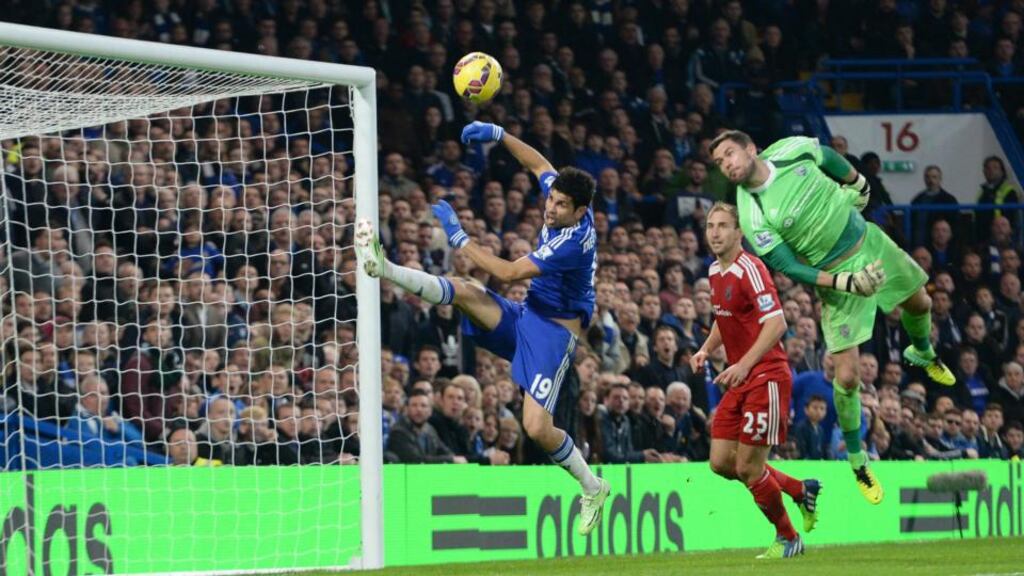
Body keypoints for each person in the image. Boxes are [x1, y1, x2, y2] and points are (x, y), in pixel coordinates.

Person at [357, 121, 609, 535]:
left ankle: (592, 486)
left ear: (580, 212)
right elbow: (539, 163)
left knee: (536, 428)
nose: (551, 207)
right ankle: (384, 267)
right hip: (528, 315)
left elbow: (509, 272)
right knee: (466, 291)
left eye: (561, 205)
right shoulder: (562, 197)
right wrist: (499, 134)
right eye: (553, 199)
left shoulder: (573, 243)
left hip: (553, 336)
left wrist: (459, 238)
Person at [711, 131, 957, 505]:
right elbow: (787, 265)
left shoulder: (789, 150)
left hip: (870, 244)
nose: (727, 164)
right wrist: (845, 282)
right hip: (837, 280)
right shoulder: (750, 210)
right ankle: (858, 461)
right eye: (719, 162)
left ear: (750, 148)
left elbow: (825, 155)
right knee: (847, 377)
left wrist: (857, 181)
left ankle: (922, 352)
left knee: (922, 304)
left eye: (730, 153)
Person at [690, 203, 819, 559]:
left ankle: (789, 537)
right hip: (741, 377)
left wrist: (744, 364)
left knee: (748, 467)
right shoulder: (715, 270)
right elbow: (723, 318)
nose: (715, 232)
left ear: (738, 232)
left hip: (767, 376)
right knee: (720, 463)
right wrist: (705, 349)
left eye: (723, 226)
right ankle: (799, 489)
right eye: (710, 226)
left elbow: (776, 323)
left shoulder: (752, 268)